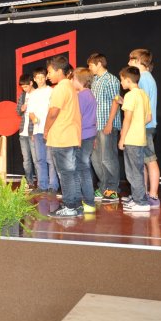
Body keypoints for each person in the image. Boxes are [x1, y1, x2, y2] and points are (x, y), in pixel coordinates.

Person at [44, 56, 82, 218]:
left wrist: (46, 129)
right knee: (71, 173)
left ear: (59, 71)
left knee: (65, 173)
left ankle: (69, 206)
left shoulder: (60, 88)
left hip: (62, 137)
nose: (48, 76)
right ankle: (75, 205)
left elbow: (53, 112)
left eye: (50, 72)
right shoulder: (70, 86)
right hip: (70, 135)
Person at [87, 53, 122, 203]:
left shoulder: (111, 79)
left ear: (99, 64)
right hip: (95, 125)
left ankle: (113, 189)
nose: (89, 68)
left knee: (108, 158)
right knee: (96, 159)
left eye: (91, 65)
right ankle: (103, 187)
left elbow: (116, 101)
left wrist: (109, 123)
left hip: (107, 125)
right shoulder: (94, 80)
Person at [128, 49, 160, 208]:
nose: (128, 63)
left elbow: (142, 105)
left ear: (138, 61)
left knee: (150, 160)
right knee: (143, 161)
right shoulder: (145, 77)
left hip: (145, 126)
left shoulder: (144, 78)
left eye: (130, 60)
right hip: (144, 126)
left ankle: (153, 196)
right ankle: (142, 194)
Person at [117, 66, 152, 212]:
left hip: (131, 139)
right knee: (136, 171)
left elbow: (127, 119)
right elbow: (149, 117)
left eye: (122, 80)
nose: (121, 83)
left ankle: (141, 203)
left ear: (128, 80)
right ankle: (138, 199)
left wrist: (122, 138)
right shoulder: (143, 94)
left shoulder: (131, 96)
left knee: (134, 172)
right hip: (140, 138)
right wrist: (138, 125)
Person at [28, 67, 59, 194]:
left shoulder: (52, 91)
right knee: (39, 159)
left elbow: (55, 110)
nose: (40, 80)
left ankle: (53, 185)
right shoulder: (32, 94)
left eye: (42, 77)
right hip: (37, 131)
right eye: (38, 78)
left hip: (50, 129)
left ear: (46, 77)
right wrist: (34, 119)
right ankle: (42, 185)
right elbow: (30, 112)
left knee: (50, 159)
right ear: (34, 79)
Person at [73, 67, 97, 214]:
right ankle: (86, 200)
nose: (72, 81)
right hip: (89, 135)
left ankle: (87, 201)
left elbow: (77, 118)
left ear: (78, 80)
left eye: (73, 79)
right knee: (83, 168)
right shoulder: (89, 94)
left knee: (81, 169)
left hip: (82, 136)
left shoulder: (82, 96)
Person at [16, 74, 36, 187]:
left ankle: (41, 183)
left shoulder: (38, 94)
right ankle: (29, 182)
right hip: (23, 131)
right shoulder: (23, 95)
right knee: (26, 159)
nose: (24, 89)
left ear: (31, 83)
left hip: (33, 131)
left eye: (26, 86)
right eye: (22, 87)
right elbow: (18, 111)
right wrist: (21, 109)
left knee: (36, 159)